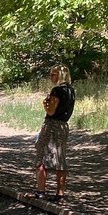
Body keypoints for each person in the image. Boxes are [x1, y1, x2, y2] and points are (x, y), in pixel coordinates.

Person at [27, 64, 75, 203]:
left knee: (41, 156)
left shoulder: (57, 90)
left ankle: (41, 191)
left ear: (61, 75)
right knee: (60, 158)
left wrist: (45, 105)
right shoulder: (71, 90)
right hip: (63, 126)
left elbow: (51, 111)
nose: (51, 77)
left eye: (54, 74)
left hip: (51, 125)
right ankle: (60, 194)